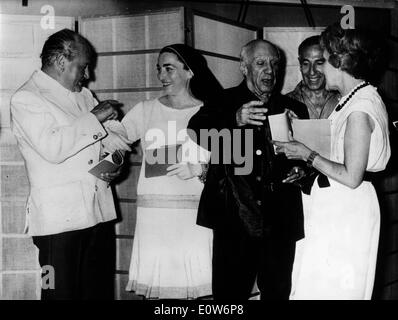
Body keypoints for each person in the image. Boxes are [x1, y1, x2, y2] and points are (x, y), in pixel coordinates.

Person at [10, 29, 131, 300]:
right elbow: (53, 148)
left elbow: (116, 137)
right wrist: (95, 118)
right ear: (62, 62)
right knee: (57, 294)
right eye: (83, 67)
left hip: (97, 216)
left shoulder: (85, 95)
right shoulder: (27, 98)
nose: (87, 76)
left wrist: (115, 163)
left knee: (97, 293)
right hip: (58, 223)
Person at [273, 24, 390, 299]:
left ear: (340, 61)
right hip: (338, 208)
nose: (320, 70)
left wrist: (306, 154)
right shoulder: (355, 99)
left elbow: (351, 176)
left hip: (347, 212)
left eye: (324, 61)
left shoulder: (359, 109)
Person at [188, 39, 309, 300]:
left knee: (277, 294)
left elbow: (308, 159)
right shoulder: (224, 101)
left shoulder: (294, 109)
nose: (270, 71)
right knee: (229, 297)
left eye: (275, 64)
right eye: (261, 63)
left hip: (279, 223)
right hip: (234, 218)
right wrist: (234, 119)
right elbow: (195, 130)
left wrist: (302, 172)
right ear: (244, 67)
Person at [109, 44, 223, 299]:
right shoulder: (145, 110)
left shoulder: (213, 112)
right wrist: (106, 142)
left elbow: (239, 162)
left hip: (196, 217)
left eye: (169, 69)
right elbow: (115, 145)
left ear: (190, 71)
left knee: (197, 288)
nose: (161, 76)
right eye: (159, 69)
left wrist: (199, 168)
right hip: (155, 219)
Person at [287, 35, 340, 119]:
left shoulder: (343, 100)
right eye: (306, 64)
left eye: (319, 63)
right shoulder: (286, 104)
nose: (312, 72)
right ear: (300, 65)